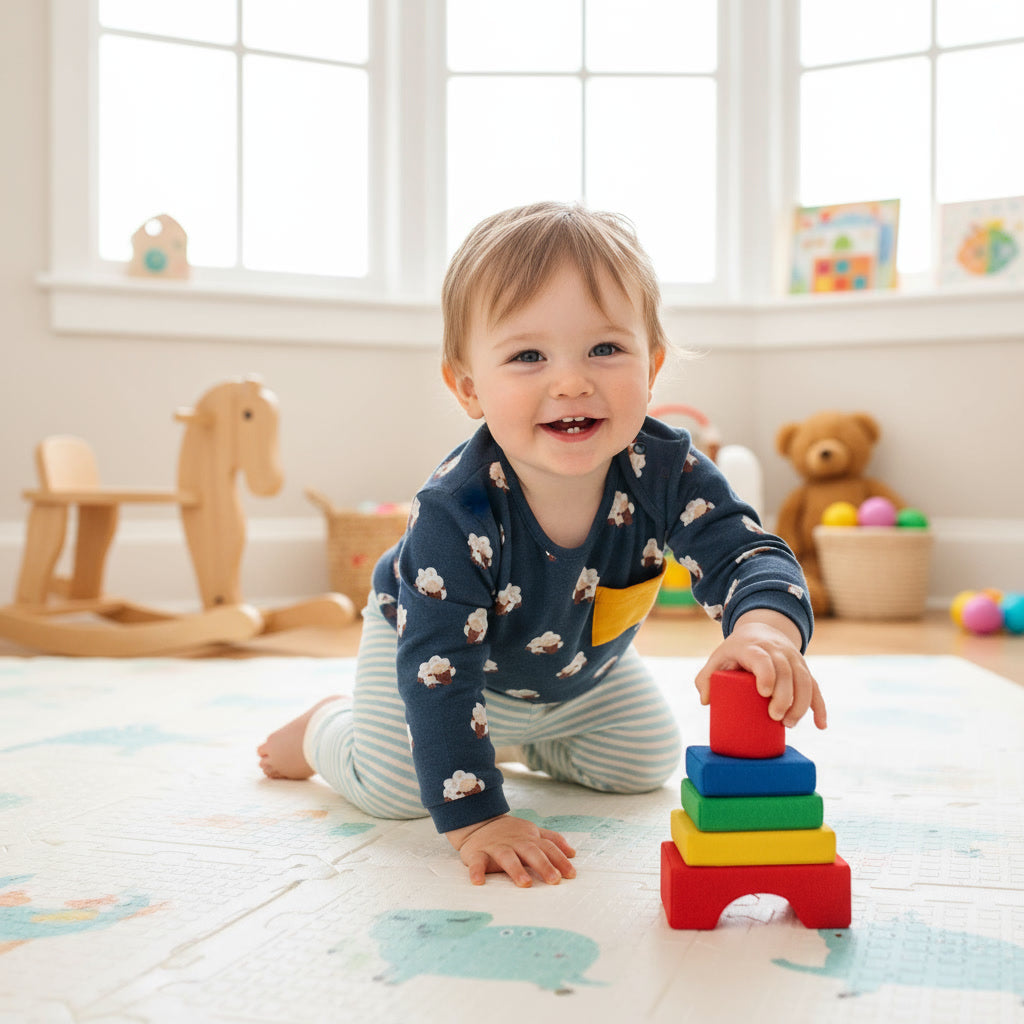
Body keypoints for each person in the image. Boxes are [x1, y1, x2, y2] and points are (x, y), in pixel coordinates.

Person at [258, 200, 827, 888]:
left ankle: (511, 741)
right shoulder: (455, 511)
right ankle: (326, 726)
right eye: (528, 356)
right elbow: (439, 670)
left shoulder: (666, 471)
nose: (571, 381)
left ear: (652, 366)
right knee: (398, 788)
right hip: (438, 658)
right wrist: (478, 820)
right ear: (469, 388)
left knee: (645, 760)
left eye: (605, 349)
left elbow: (746, 554)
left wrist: (764, 629)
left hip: (576, 670)